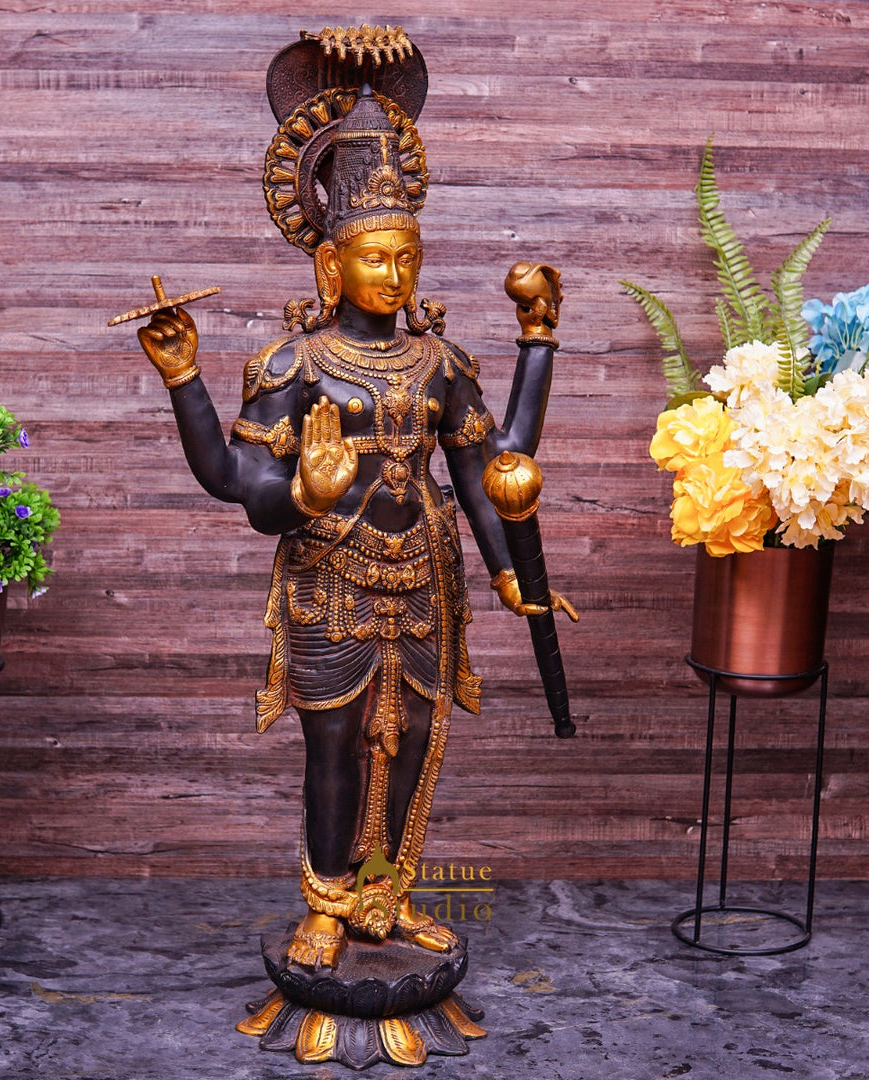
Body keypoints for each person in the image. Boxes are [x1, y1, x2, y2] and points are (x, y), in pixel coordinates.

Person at [134, 62, 574, 971]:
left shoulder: (441, 362)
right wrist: (189, 383)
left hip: (424, 573)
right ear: (331, 265)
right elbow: (234, 479)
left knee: (408, 742)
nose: (394, 274)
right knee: (333, 741)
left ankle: (386, 894)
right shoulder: (294, 365)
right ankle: (328, 903)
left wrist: (510, 575)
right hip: (328, 575)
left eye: (407, 257)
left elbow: (491, 468)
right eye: (375, 258)